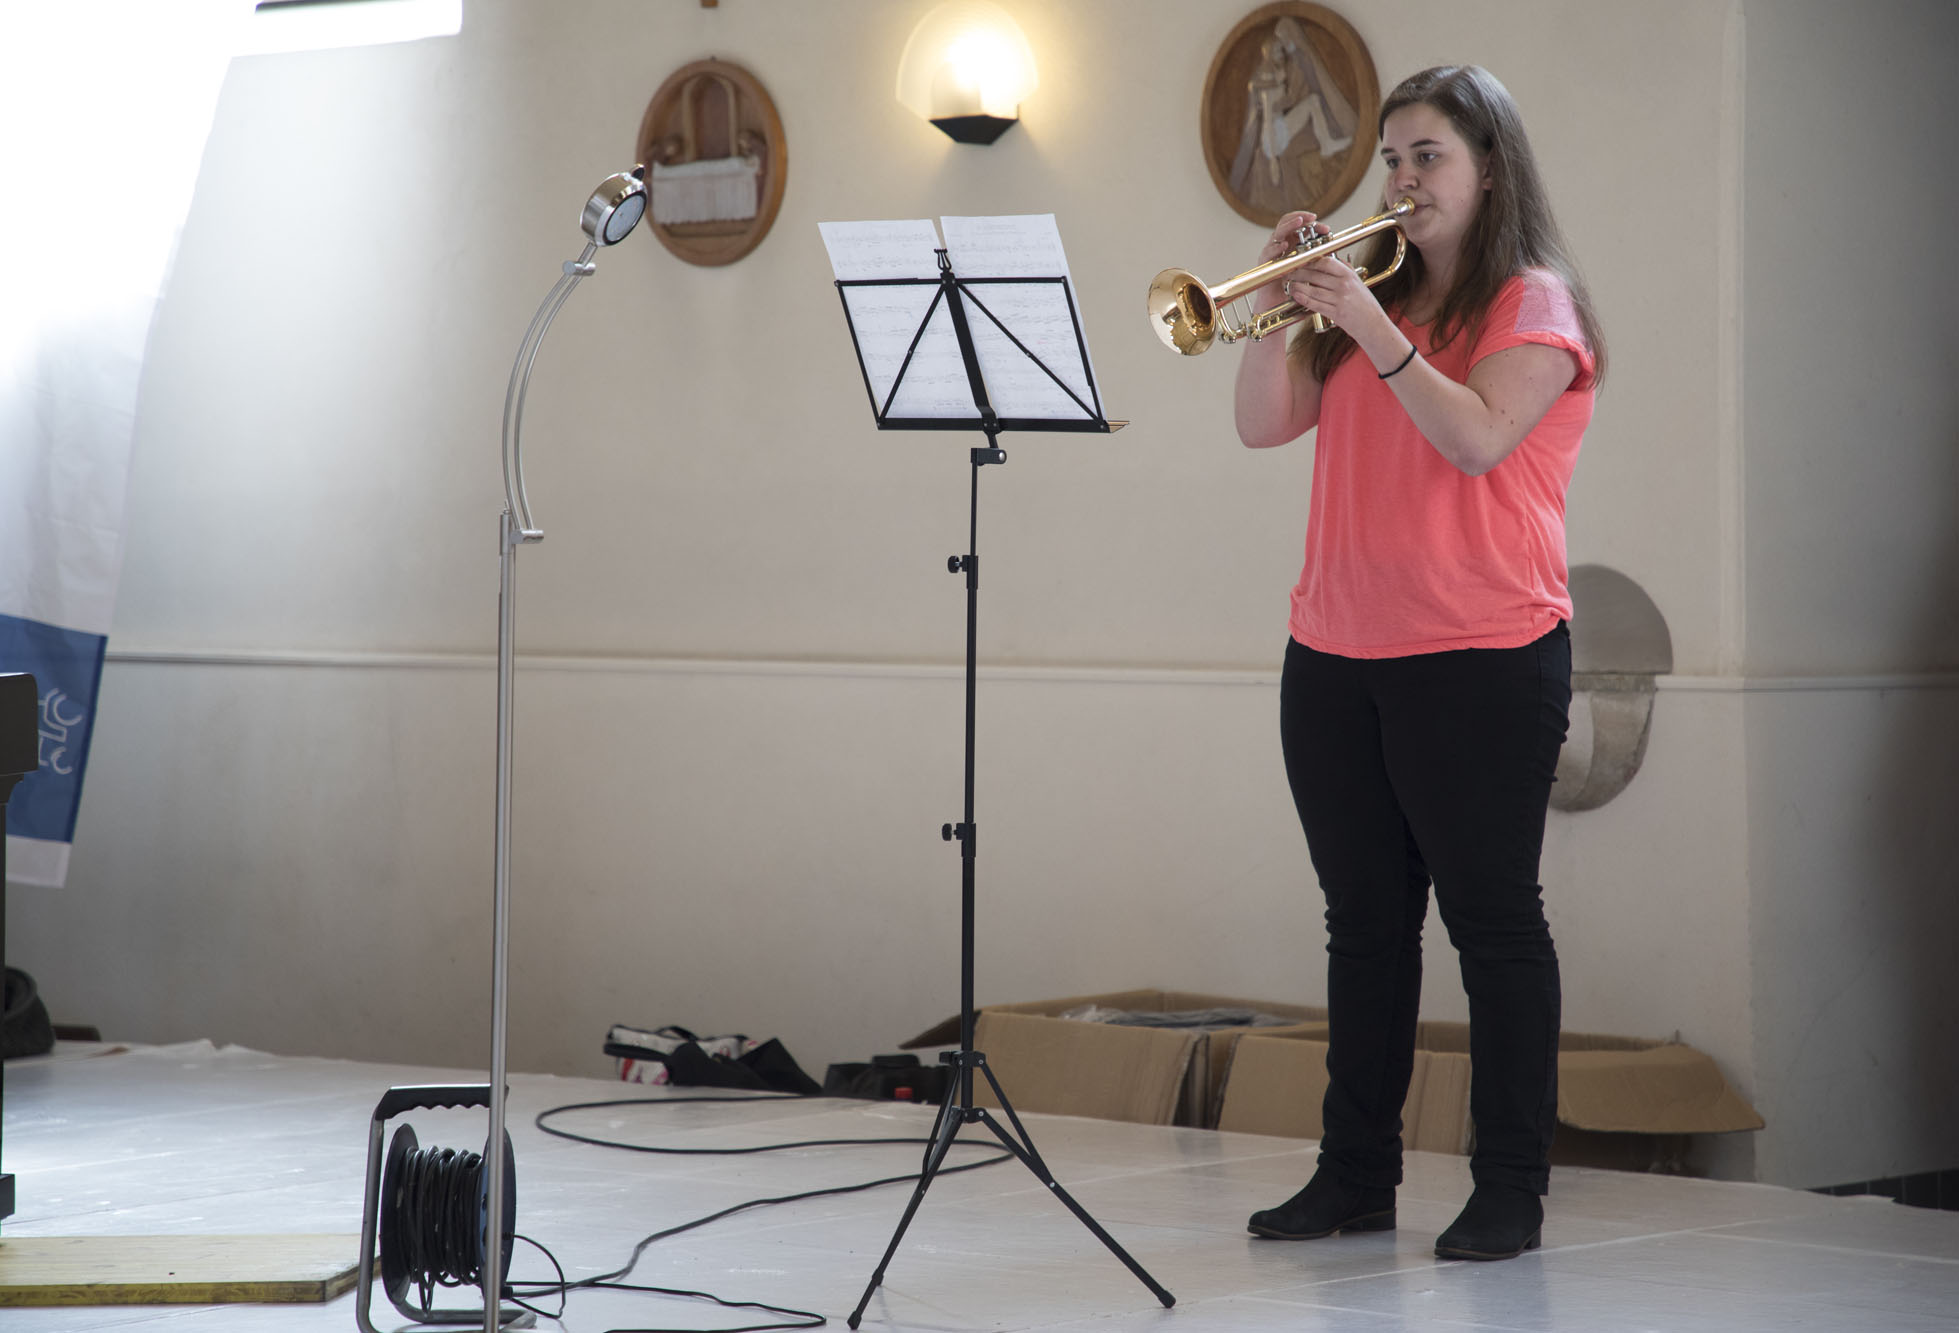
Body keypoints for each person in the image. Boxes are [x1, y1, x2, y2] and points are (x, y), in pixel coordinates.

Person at [1233, 65, 1606, 1261]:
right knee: (1363, 927)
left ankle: (1511, 1187)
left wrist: (1366, 321)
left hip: (1483, 653)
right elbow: (1260, 423)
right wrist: (1283, 299)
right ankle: (1355, 1174)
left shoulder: (1534, 303)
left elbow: (1478, 438)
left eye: (1426, 156)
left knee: (1493, 925)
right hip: (1334, 650)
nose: (1400, 179)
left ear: (1488, 167)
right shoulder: (1371, 302)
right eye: (1390, 158)